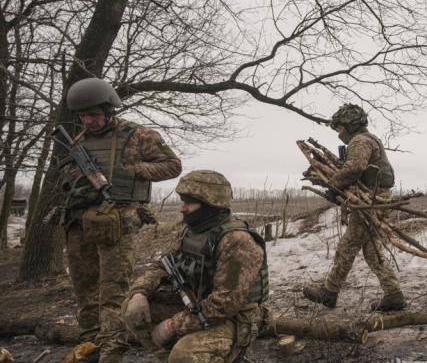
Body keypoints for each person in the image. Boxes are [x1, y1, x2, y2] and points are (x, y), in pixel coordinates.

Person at [57, 78, 182, 362]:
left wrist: (133, 170)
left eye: (93, 115)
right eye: (83, 116)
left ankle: (112, 351)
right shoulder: (79, 141)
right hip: (81, 222)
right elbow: (69, 179)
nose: (87, 121)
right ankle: (89, 345)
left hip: (117, 223)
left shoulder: (138, 135)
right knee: (84, 289)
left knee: (114, 291)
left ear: (109, 110)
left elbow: (173, 166)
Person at [122, 170, 269, 363]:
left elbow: (225, 304)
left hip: (235, 320)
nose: (182, 208)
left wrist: (172, 325)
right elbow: (165, 264)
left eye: (189, 203)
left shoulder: (238, 243)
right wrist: (140, 292)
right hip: (195, 306)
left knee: (185, 355)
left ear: (210, 205)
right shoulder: (191, 231)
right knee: (132, 310)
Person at [302, 104, 406, 311]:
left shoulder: (360, 141)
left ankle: (329, 292)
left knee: (348, 245)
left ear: (350, 125)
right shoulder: (369, 139)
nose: (339, 133)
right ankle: (394, 294)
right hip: (375, 199)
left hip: (371, 201)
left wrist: (333, 184)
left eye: (340, 128)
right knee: (371, 249)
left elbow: (354, 168)